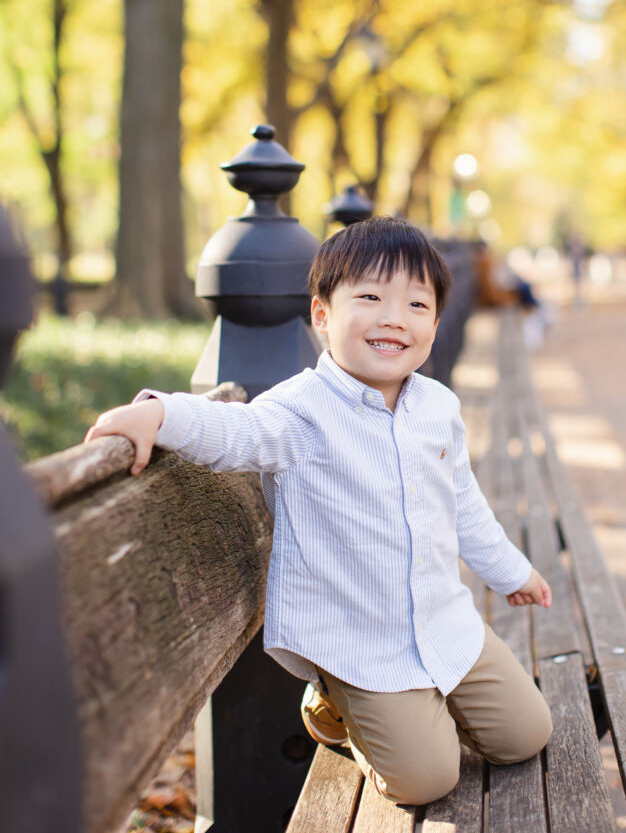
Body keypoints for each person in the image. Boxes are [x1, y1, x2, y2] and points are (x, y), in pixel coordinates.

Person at [86, 217, 552, 806]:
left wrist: (513, 573)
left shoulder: (437, 406)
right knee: (428, 780)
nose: (393, 317)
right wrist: (159, 414)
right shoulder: (301, 412)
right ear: (322, 314)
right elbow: (235, 430)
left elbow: (465, 504)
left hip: (443, 620)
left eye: (416, 303)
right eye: (370, 298)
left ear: (435, 322)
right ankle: (336, 700)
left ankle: (419, 708)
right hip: (361, 642)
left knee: (526, 735)